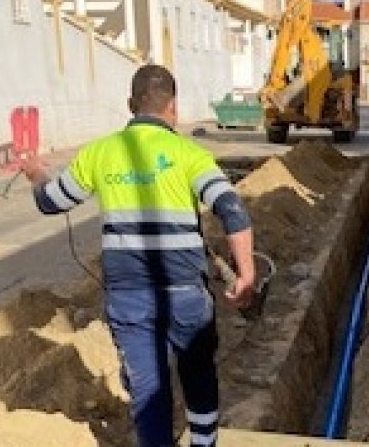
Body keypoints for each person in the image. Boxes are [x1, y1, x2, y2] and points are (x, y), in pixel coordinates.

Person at [23, 64, 255, 447]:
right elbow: (231, 208)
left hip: (129, 298)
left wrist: (35, 173)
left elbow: (51, 201)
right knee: (199, 377)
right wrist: (245, 274)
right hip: (185, 294)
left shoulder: (99, 153)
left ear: (131, 104)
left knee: (149, 394)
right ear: (173, 107)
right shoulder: (188, 153)